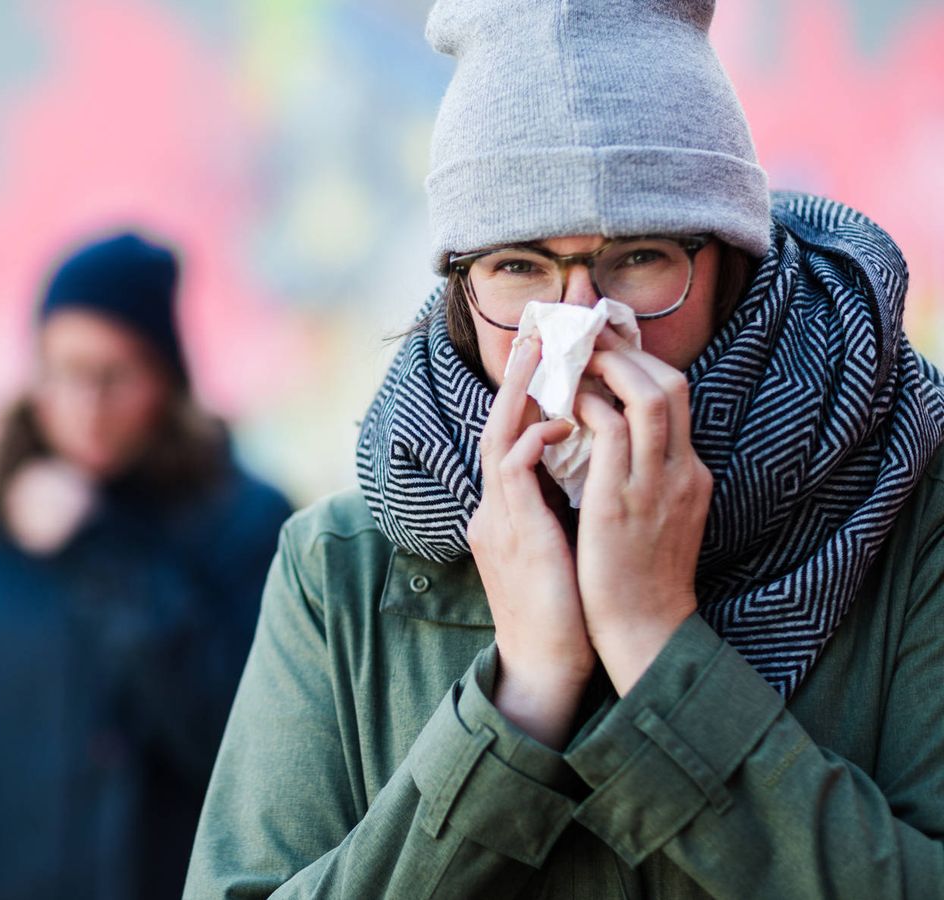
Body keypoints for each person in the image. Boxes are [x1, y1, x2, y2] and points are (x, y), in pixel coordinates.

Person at [184, 1, 944, 897]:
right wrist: (520, 699)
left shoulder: (904, 507)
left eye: (639, 258)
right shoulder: (341, 570)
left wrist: (655, 641)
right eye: (519, 266)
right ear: (463, 290)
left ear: (734, 269)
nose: (580, 326)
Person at [0, 232, 292, 900]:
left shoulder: (244, 525)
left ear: (167, 381)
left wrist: (101, 550)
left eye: (115, 377)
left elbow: (250, 750)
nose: (87, 405)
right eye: (64, 371)